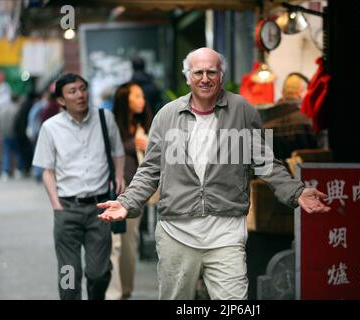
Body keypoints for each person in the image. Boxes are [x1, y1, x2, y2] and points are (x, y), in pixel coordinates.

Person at [97, 48, 330, 300]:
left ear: (221, 75)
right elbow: (150, 170)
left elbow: (266, 163)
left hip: (226, 235)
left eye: (212, 72)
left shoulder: (243, 111)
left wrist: (296, 192)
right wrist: (127, 202)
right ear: (188, 76)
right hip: (177, 234)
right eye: (198, 72)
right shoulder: (167, 116)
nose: (205, 78)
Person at [32, 73, 125, 300]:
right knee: (68, 275)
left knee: (99, 272)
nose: (80, 95)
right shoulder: (50, 127)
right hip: (67, 209)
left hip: (100, 209)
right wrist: (56, 205)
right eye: (72, 91)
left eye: (83, 89)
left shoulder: (105, 118)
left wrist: (120, 175)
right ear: (61, 100)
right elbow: (47, 170)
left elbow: (118, 152)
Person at [106, 82, 151, 300]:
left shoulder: (145, 125)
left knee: (129, 244)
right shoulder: (112, 126)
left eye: (142, 96)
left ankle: (125, 290)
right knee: (113, 243)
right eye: (137, 96)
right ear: (125, 100)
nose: (142, 100)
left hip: (135, 195)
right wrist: (133, 142)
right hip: (113, 192)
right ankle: (113, 293)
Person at [262, 72, 318, 161]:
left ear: (283, 92)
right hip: (304, 174)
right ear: (301, 92)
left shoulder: (263, 121)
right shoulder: (309, 120)